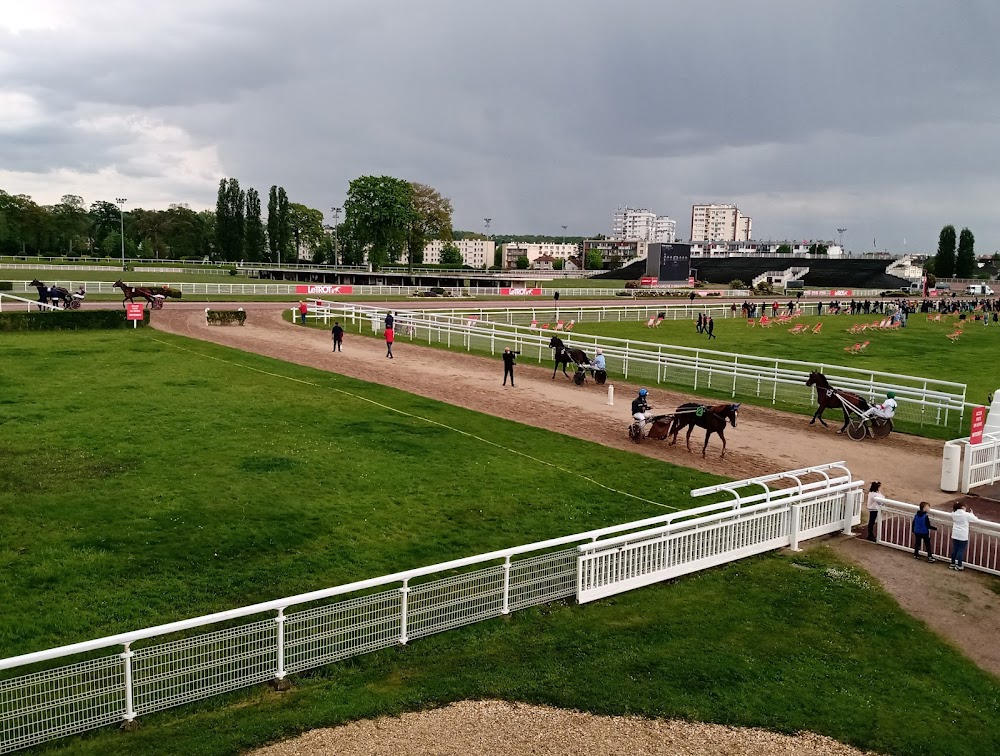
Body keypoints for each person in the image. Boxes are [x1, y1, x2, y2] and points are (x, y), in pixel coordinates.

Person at [949, 502, 978, 570]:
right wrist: (972, 514)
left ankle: (952, 563)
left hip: (955, 533)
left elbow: (953, 512)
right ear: (962, 507)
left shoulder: (954, 514)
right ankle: (959, 565)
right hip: (963, 535)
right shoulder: (966, 514)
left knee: (955, 549)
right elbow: (976, 520)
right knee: (961, 550)